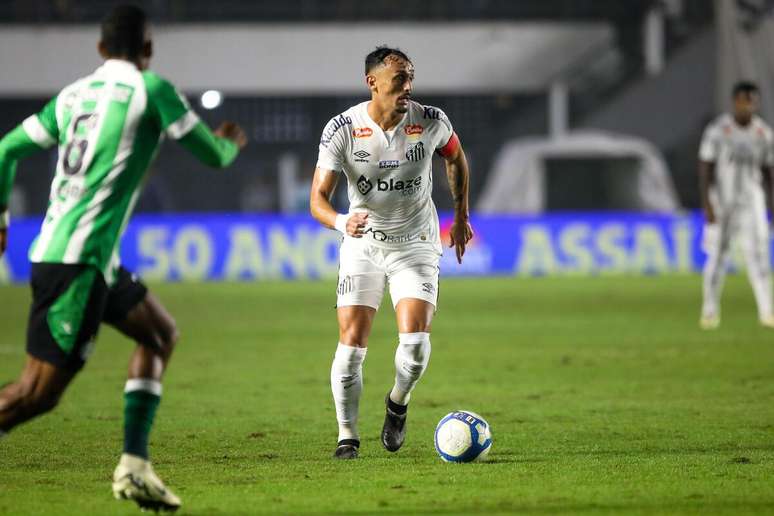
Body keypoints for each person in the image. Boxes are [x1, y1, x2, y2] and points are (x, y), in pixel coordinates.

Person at [0, 4, 247, 511]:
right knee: (35, 394)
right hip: (77, 262)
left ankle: (134, 468)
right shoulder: (151, 90)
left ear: (100, 48)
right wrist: (229, 143)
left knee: (159, 335)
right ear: (148, 49)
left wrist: (1, 219)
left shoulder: (72, 96)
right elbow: (214, 158)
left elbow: (5, 150)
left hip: (85, 257)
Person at [309, 46, 473, 459]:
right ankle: (347, 436)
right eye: (399, 78)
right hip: (362, 244)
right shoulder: (343, 129)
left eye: (411, 78)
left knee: (415, 346)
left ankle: (397, 402)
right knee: (351, 344)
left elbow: (455, 159)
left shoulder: (431, 120)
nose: (408, 86)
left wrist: (461, 213)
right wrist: (340, 221)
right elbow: (318, 199)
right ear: (373, 82)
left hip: (415, 243)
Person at [699, 81, 774, 329]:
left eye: (752, 100)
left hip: (752, 202)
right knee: (718, 256)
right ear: (734, 101)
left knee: (759, 257)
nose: (748, 105)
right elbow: (705, 168)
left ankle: (767, 312)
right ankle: (709, 310)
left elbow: (768, 172)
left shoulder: (764, 133)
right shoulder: (718, 130)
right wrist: (708, 204)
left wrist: (771, 204)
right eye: (744, 100)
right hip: (723, 202)